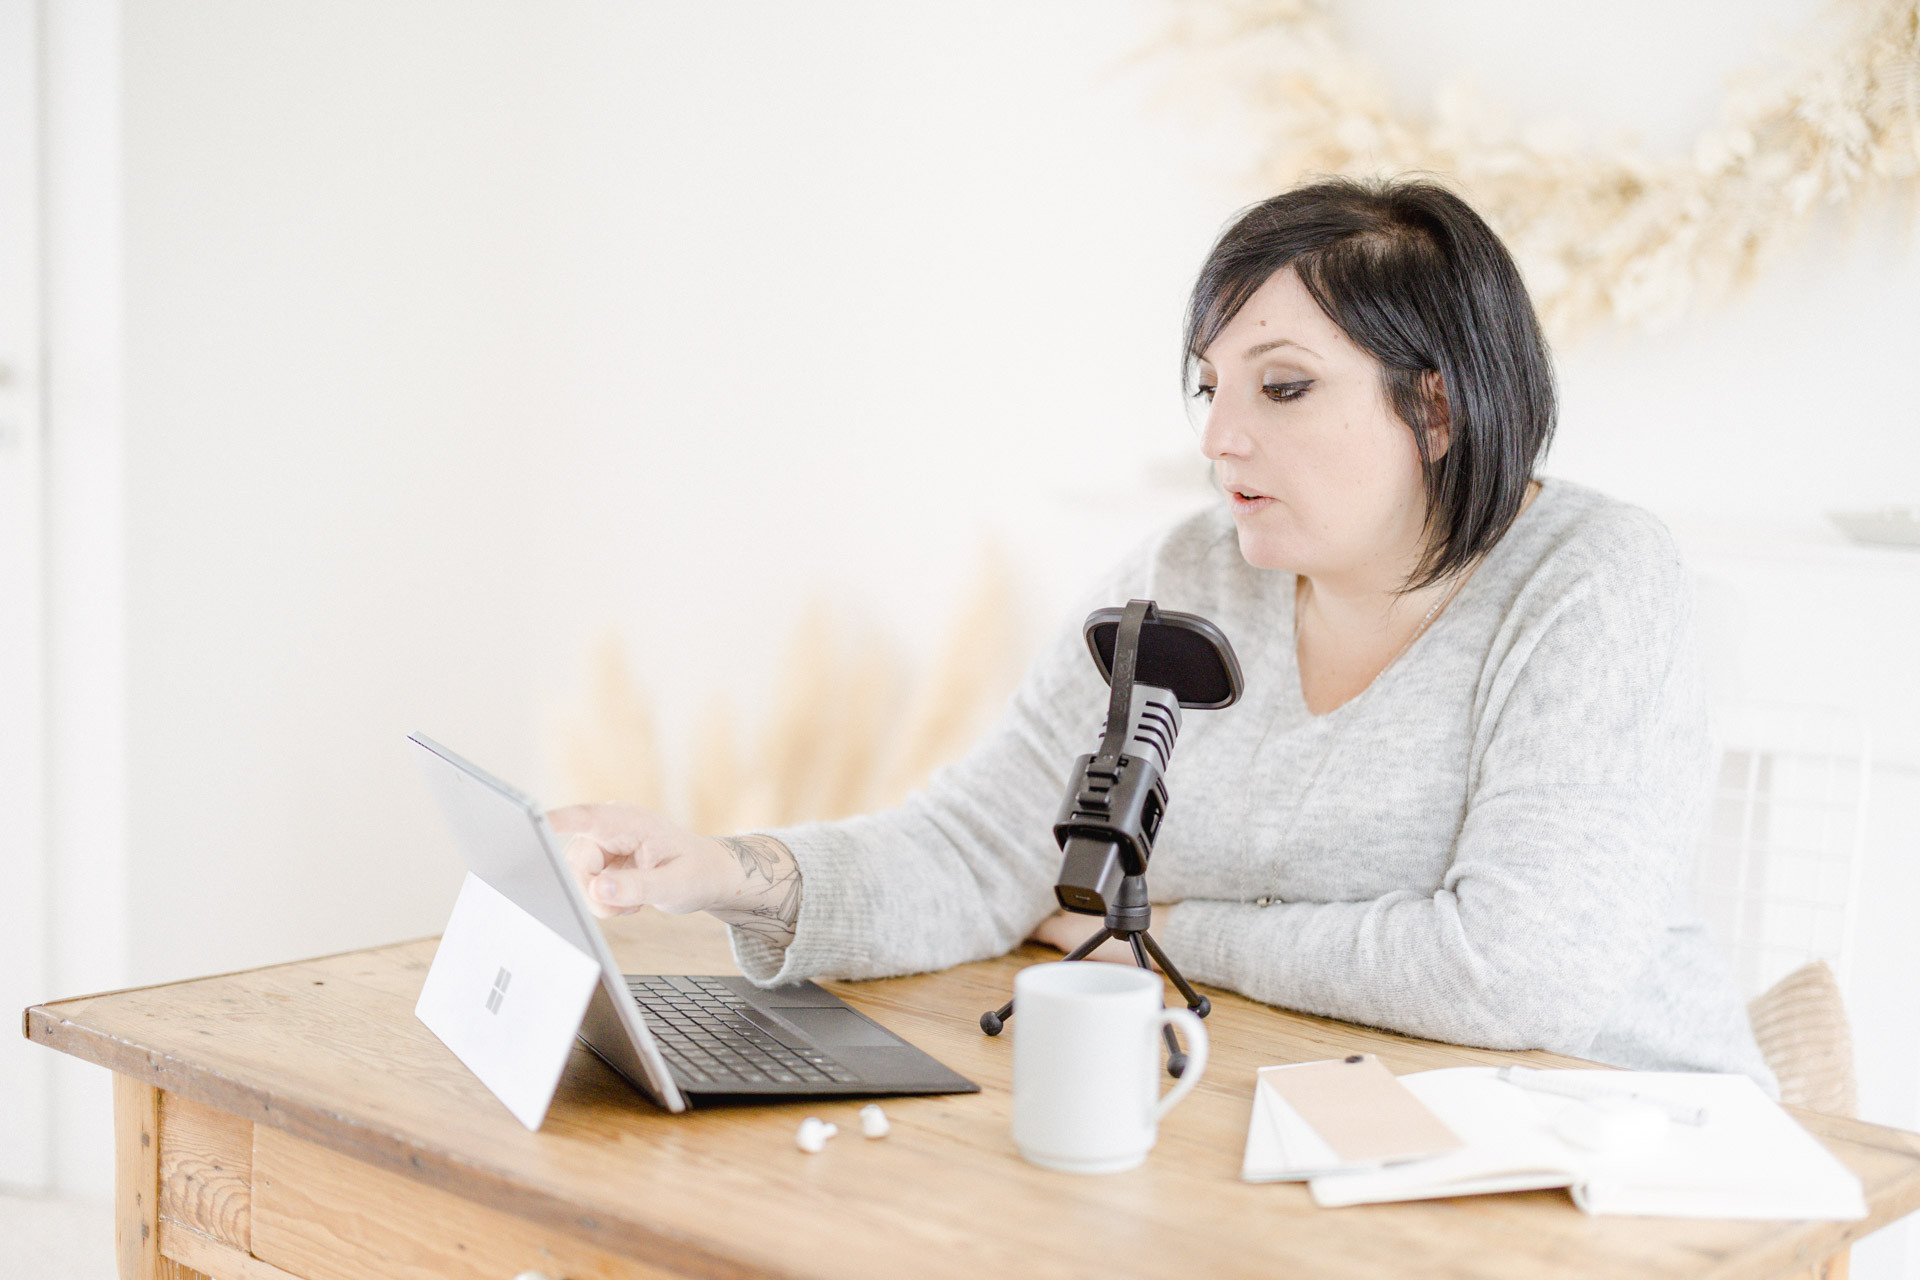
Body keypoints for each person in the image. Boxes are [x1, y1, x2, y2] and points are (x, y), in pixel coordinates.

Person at [551, 177, 1773, 1086]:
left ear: (1437, 405)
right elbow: (982, 851)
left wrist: (1172, 939)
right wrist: (723, 872)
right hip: (1322, 1118)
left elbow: (1522, 972)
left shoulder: (1595, 582)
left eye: (1282, 387)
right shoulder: (1190, 571)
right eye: (1211, 387)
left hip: (1623, 1145)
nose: (1219, 439)